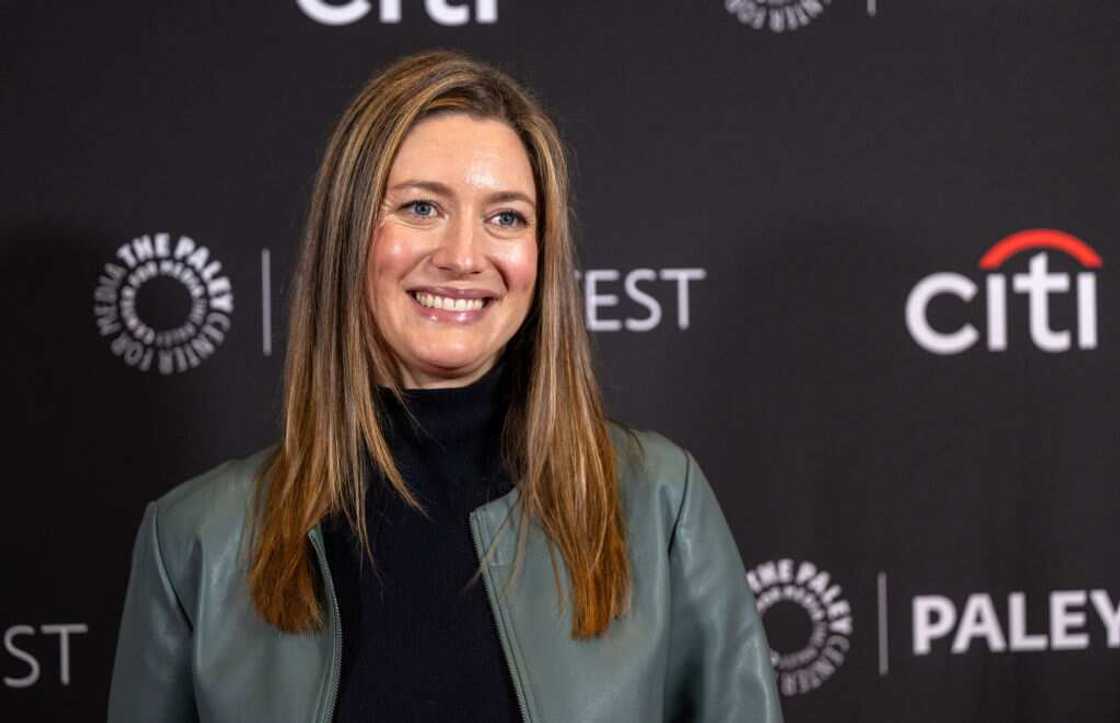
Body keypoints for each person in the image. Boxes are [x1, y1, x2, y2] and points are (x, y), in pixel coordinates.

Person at [107, 50, 783, 723]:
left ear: (540, 257)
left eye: (507, 217)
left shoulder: (658, 502)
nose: (464, 255)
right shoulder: (198, 539)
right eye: (423, 206)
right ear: (347, 233)